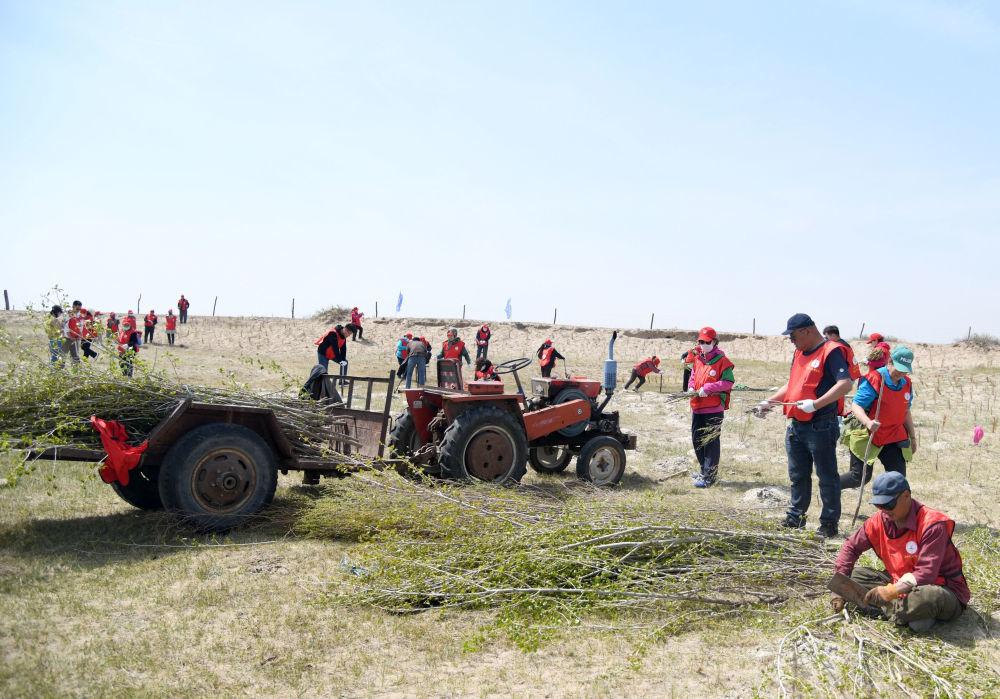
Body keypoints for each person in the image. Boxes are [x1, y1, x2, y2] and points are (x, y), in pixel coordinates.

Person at [831, 472, 969, 632]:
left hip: (940, 588)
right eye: (879, 505)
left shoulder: (932, 524)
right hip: (898, 582)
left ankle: (893, 610)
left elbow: (926, 574)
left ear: (906, 495)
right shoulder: (878, 521)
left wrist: (892, 591)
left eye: (888, 505)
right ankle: (908, 615)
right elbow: (851, 547)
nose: (884, 511)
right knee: (854, 576)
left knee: (925, 598)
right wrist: (839, 586)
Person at [758, 313, 853, 537]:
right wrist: (769, 402)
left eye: (793, 336)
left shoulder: (832, 351)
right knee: (798, 475)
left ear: (807, 331)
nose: (791, 341)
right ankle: (796, 517)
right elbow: (792, 384)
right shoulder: (799, 352)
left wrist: (817, 404)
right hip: (796, 426)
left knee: (827, 477)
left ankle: (828, 524)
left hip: (820, 425)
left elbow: (846, 383)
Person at [840, 346, 916, 489]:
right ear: (889, 362)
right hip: (869, 433)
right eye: (898, 368)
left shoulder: (907, 384)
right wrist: (868, 422)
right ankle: (829, 488)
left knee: (898, 479)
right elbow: (856, 405)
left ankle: (891, 510)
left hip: (893, 435)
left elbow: (906, 411)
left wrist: (913, 437)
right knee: (859, 477)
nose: (901, 372)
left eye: (905, 369)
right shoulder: (875, 378)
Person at [688, 328, 735, 487]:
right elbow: (693, 376)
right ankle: (703, 470)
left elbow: (728, 382)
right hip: (697, 406)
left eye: (707, 342)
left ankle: (710, 477)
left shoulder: (722, 360)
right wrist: (690, 388)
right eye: (701, 341)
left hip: (713, 409)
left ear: (714, 342)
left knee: (711, 442)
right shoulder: (698, 359)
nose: (704, 344)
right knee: (697, 439)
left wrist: (708, 388)